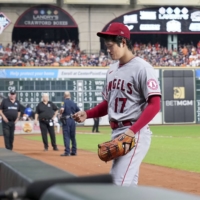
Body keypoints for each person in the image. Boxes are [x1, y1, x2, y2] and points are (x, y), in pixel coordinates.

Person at [73, 22, 161, 186]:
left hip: (134, 132)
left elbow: (155, 104)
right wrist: (88, 113)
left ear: (123, 42)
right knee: (128, 187)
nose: (108, 49)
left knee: (116, 184)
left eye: (111, 45)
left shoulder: (142, 68)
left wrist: (131, 132)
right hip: (118, 132)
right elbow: (108, 104)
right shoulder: (112, 69)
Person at [60, 91, 80, 156]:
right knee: (73, 136)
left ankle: (67, 151)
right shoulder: (73, 102)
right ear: (70, 95)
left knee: (66, 136)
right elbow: (79, 111)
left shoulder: (64, 102)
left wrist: (60, 113)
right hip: (72, 120)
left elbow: (62, 109)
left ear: (64, 96)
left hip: (66, 120)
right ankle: (74, 151)